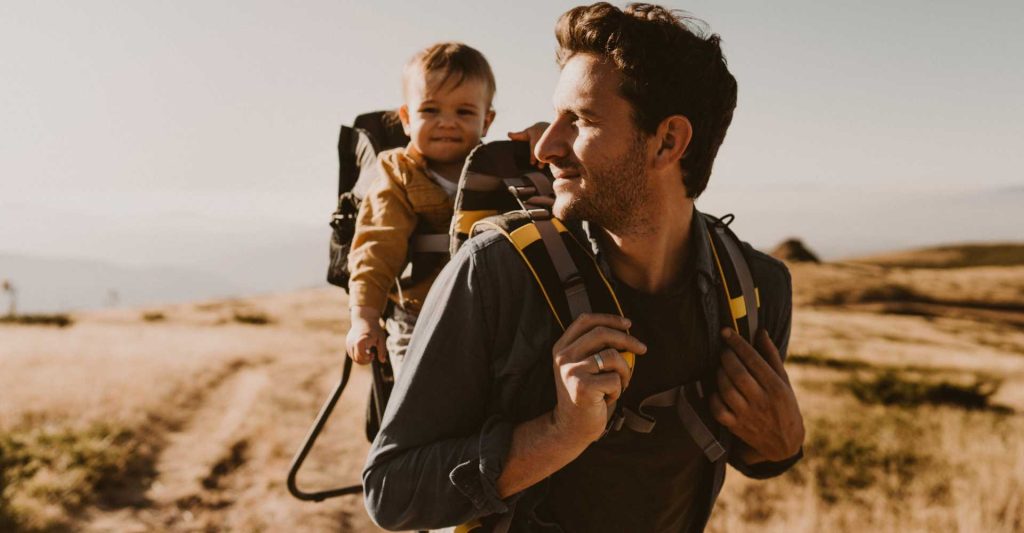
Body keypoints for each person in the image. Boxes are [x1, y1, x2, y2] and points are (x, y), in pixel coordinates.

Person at [363, 3, 806, 532]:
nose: (547, 147)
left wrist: (784, 446)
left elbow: (754, 449)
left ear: (668, 141)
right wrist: (556, 434)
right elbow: (391, 492)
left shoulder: (757, 289)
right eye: (555, 117)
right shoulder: (496, 273)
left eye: (582, 120)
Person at [344, 42, 497, 376]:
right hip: (418, 317)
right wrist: (365, 319)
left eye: (464, 112)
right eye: (430, 110)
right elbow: (376, 248)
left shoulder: (501, 169)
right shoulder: (399, 174)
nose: (447, 123)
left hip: (493, 316)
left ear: (487, 121)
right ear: (406, 119)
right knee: (422, 405)